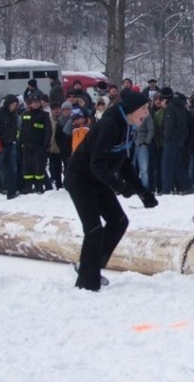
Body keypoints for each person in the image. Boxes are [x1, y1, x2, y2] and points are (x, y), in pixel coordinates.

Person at [66, 88, 158, 292]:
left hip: (97, 179)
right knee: (94, 230)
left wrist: (143, 191)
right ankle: (87, 285)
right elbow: (96, 164)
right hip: (80, 178)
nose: (147, 113)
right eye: (143, 108)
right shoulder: (110, 125)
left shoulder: (129, 126)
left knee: (119, 222)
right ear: (132, 109)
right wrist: (119, 187)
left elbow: (123, 162)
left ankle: (90, 266)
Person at [20, 92, 51, 194]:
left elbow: (48, 131)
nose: (36, 104)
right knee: (27, 167)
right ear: (30, 104)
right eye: (34, 102)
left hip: (39, 146)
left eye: (38, 102)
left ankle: (39, 186)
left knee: (39, 167)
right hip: (27, 146)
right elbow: (21, 129)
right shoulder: (25, 115)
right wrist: (20, 141)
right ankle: (28, 186)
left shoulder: (44, 116)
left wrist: (45, 143)